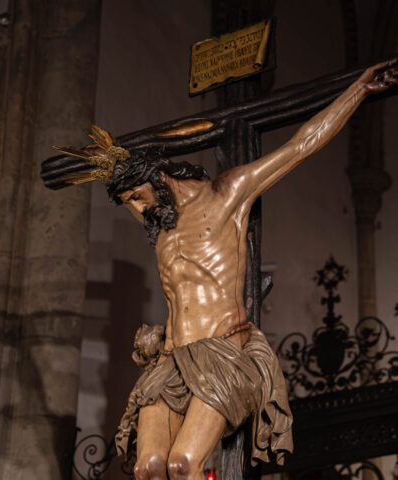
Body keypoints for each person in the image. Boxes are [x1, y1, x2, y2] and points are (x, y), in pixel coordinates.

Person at [41, 60, 397, 480]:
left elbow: (301, 145)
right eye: (129, 203)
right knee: (148, 468)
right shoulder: (160, 221)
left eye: (137, 197)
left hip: (223, 351)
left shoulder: (227, 195)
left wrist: (358, 90)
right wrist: (80, 168)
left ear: (159, 178)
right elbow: (112, 173)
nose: (137, 210)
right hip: (171, 359)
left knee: (183, 465)